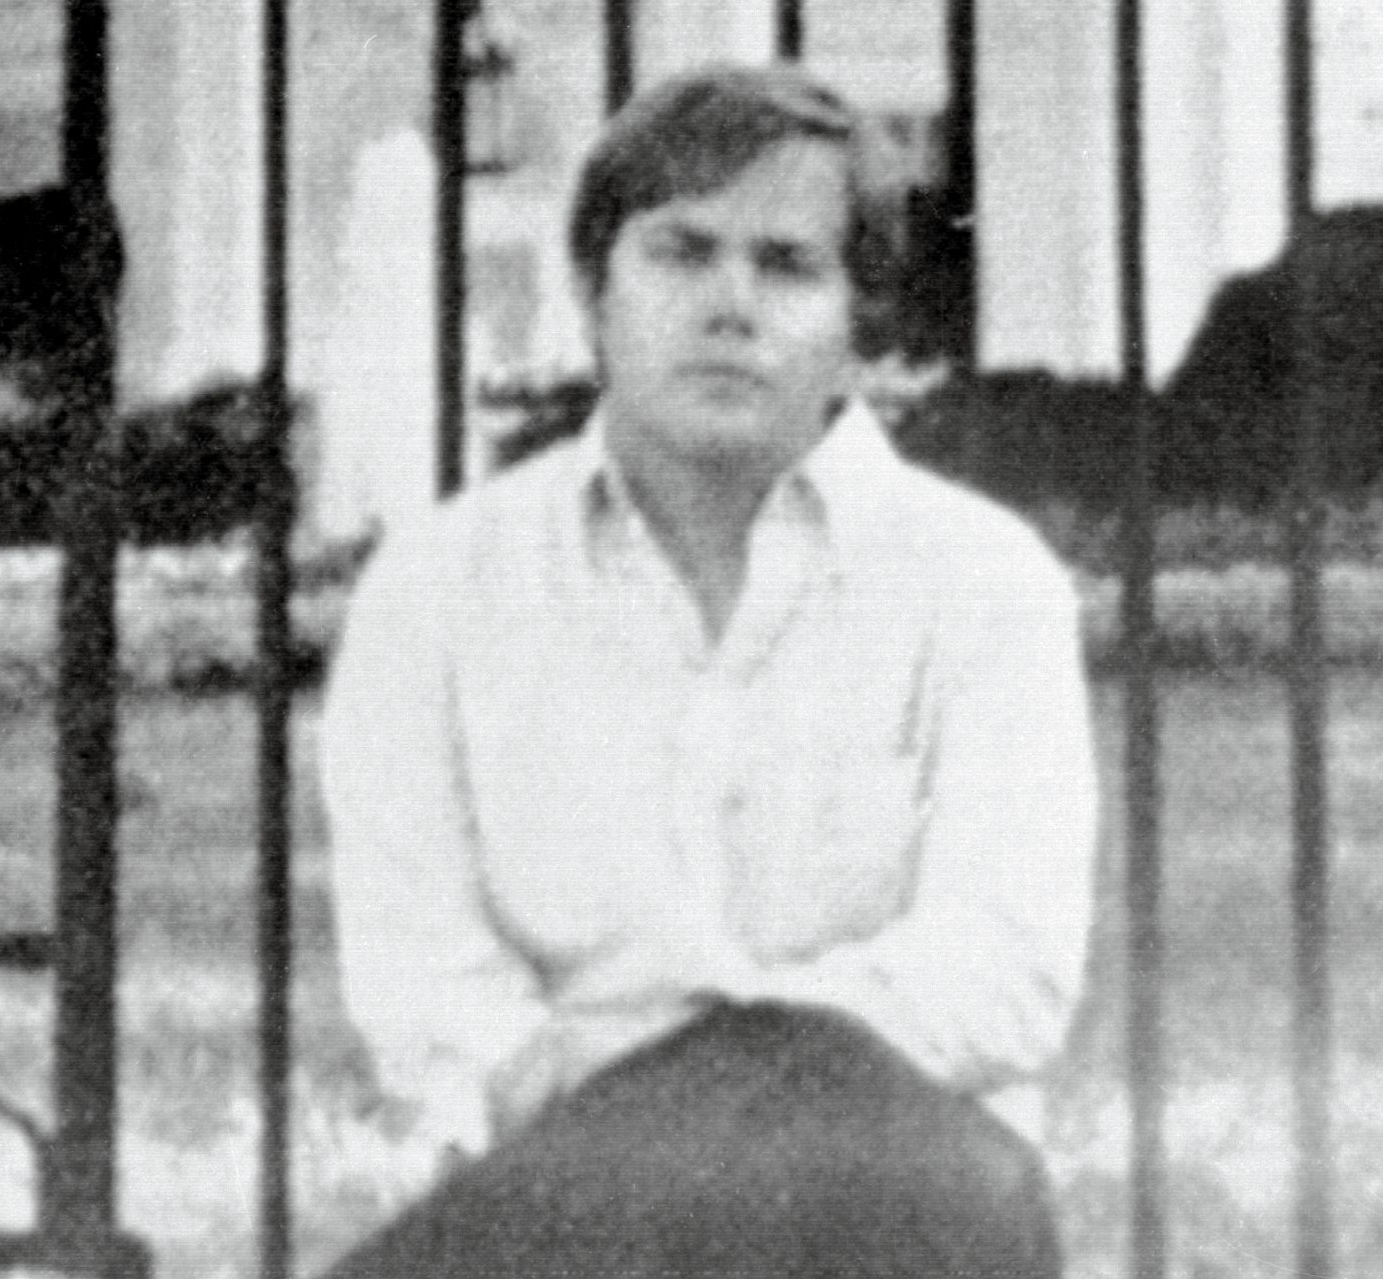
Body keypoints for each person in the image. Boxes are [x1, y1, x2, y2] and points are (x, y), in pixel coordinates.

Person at [316, 64, 1094, 1279]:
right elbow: (427, 989)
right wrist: (688, 1108)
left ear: (858, 321)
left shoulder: (986, 585)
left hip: (887, 1215)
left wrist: (696, 1089)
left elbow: (1002, 973)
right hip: (562, 1216)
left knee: (941, 1174)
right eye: (680, 252)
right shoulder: (436, 589)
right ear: (591, 290)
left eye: (787, 265)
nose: (731, 303)